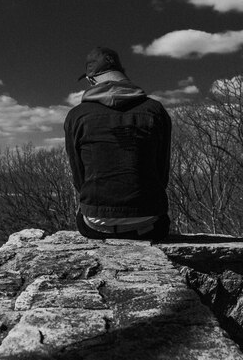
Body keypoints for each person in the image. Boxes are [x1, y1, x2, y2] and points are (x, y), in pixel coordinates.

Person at [64, 47, 171, 241]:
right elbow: (162, 174)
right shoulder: (156, 110)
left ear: (90, 80)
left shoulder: (76, 116)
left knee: (84, 216)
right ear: (122, 75)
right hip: (150, 223)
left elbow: (79, 178)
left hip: (95, 224)